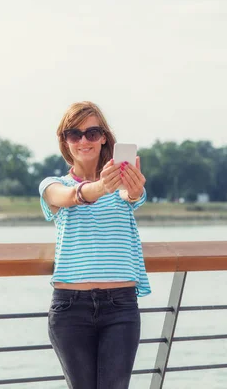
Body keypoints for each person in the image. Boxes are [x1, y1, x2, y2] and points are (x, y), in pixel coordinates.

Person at [39, 101, 151, 389]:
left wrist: (132, 188)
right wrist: (100, 187)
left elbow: (132, 196)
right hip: (70, 308)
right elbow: (65, 198)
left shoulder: (123, 186)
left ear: (104, 137)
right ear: (65, 142)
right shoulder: (52, 185)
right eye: (74, 134)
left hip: (120, 306)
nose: (84, 140)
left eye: (92, 133)